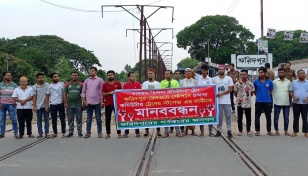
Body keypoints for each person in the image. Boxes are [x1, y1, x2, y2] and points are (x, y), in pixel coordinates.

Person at [192, 63, 215, 137]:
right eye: (203, 70)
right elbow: (192, 72)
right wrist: (198, 66)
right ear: (201, 70)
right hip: (200, 100)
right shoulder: (198, 77)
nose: (205, 72)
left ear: (207, 71)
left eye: (206, 70)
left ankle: (210, 132)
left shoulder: (211, 79)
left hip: (209, 100)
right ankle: (202, 132)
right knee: (201, 116)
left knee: (210, 115)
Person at [81, 66, 104, 138]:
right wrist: (84, 101)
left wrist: (102, 102)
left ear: (96, 72)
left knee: (98, 118)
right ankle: (88, 132)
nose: (91, 72)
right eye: (90, 70)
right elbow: (83, 92)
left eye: (93, 70)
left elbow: (102, 92)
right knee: (88, 118)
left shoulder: (100, 80)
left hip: (97, 102)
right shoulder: (86, 80)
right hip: (89, 102)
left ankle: (99, 132)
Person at [213, 65, 234, 138]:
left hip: (227, 101)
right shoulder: (214, 79)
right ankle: (218, 130)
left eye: (222, 69)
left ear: (224, 70)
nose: (221, 70)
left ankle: (229, 130)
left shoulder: (228, 78)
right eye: (220, 69)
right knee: (219, 117)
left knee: (228, 116)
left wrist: (222, 93)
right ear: (218, 70)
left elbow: (230, 89)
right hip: (218, 101)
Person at [159, 70, 181, 138]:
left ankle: (178, 132)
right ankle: (166, 132)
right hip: (165, 103)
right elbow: (160, 92)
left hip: (174, 102)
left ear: (171, 75)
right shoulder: (162, 82)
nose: (166, 75)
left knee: (176, 117)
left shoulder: (175, 82)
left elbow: (178, 91)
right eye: (165, 74)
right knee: (166, 117)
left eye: (167, 74)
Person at [253, 67, 274, 136]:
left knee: (268, 116)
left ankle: (269, 130)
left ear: (265, 73)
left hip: (267, 101)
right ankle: (257, 131)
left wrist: (266, 95)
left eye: (262, 72)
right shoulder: (255, 82)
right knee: (257, 116)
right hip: (258, 101)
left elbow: (270, 91)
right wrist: (259, 96)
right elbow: (254, 91)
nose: (260, 74)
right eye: (259, 72)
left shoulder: (270, 81)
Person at [234, 70, 255, 136]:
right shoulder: (237, 84)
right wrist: (240, 98)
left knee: (248, 118)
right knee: (240, 118)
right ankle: (240, 131)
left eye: (244, 74)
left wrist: (247, 97)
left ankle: (248, 131)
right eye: (241, 74)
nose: (243, 76)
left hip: (248, 103)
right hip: (240, 103)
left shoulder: (250, 84)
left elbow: (252, 93)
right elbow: (235, 93)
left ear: (247, 75)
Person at [102, 70, 123, 139]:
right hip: (108, 103)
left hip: (116, 104)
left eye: (111, 75)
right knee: (107, 119)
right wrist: (109, 93)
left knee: (117, 118)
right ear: (107, 76)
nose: (110, 76)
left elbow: (121, 93)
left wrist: (116, 93)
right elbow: (103, 93)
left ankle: (119, 133)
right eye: (109, 75)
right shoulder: (105, 84)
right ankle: (108, 133)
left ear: (114, 75)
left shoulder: (118, 84)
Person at [142, 69, 161, 138]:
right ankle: (146, 131)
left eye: (151, 73)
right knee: (147, 117)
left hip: (155, 103)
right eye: (149, 73)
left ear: (154, 74)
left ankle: (158, 131)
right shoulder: (145, 83)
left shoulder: (157, 83)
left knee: (157, 117)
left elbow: (158, 93)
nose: (150, 75)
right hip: (147, 103)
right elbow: (143, 93)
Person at [46, 72, 66, 138]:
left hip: (60, 104)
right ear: (51, 78)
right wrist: (47, 105)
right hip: (52, 104)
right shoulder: (49, 86)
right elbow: (47, 96)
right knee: (53, 119)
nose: (56, 78)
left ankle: (63, 132)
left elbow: (64, 93)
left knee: (62, 119)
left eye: (57, 76)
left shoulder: (61, 84)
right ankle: (55, 133)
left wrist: (64, 101)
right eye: (54, 77)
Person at [64, 71, 83, 138]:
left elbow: (83, 94)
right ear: (71, 76)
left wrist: (83, 103)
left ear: (78, 76)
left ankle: (80, 132)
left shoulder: (81, 84)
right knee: (70, 119)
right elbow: (65, 93)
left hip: (78, 104)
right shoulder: (68, 84)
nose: (74, 76)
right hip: (69, 105)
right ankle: (71, 132)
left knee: (79, 119)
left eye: (75, 75)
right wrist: (65, 102)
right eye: (73, 75)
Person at [289, 69, 308, 137]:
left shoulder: (307, 82)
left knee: (305, 118)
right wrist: (293, 97)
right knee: (296, 117)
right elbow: (290, 91)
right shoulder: (294, 82)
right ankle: (295, 131)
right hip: (296, 103)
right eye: (300, 73)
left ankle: (306, 132)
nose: (302, 75)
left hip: (305, 104)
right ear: (297, 75)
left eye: (303, 73)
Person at [273, 68, 291, 136]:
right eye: (279, 72)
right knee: (276, 117)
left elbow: (290, 92)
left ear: (284, 73)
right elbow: (272, 91)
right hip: (277, 102)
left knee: (286, 117)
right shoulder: (274, 82)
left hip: (286, 102)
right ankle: (276, 130)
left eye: (282, 72)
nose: (280, 73)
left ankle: (286, 130)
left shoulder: (288, 82)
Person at [0, 71, 19, 138]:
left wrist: (15, 102)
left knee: (13, 119)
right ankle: (2, 133)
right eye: (8, 75)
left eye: (10, 75)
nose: (9, 76)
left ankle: (16, 132)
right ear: (4, 76)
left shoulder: (14, 85)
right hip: (2, 104)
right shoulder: (0, 85)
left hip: (11, 104)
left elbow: (17, 94)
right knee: (2, 119)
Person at [123, 71, 141, 138]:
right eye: (132, 76)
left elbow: (140, 94)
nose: (134, 77)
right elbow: (123, 94)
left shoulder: (138, 84)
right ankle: (126, 132)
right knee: (127, 118)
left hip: (136, 104)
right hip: (128, 104)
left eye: (134, 76)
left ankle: (137, 132)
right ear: (129, 77)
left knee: (136, 118)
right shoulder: (125, 85)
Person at [180, 68, 198, 136]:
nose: (188, 73)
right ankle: (186, 130)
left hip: (193, 101)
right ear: (184, 73)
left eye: (189, 72)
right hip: (184, 101)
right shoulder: (182, 82)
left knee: (193, 116)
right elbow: (180, 91)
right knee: (185, 116)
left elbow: (198, 90)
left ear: (191, 73)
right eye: (186, 72)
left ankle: (193, 131)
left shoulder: (195, 81)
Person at [32, 73, 50, 138]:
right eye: (39, 78)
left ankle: (47, 132)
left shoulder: (47, 85)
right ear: (37, 79)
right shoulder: (34, 87)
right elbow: (34, 97)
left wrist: (47, 105)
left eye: (42, 77)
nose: (41, 79)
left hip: (45, 105)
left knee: (46, 119)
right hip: (38, 106)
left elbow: (47, 95)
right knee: (39, 120)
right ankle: (40, 133)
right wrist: (34, 106)